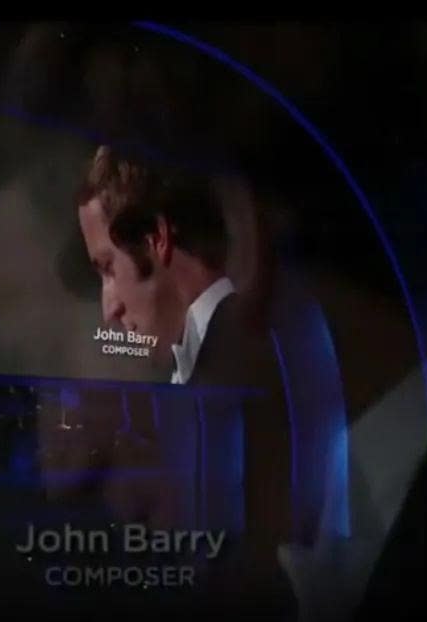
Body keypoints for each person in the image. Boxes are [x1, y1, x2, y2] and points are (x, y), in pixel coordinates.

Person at [74, 144, 295, 616]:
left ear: (157, 239)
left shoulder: (243, 371)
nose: (109, 308)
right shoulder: (208, 370)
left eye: (109, 268)